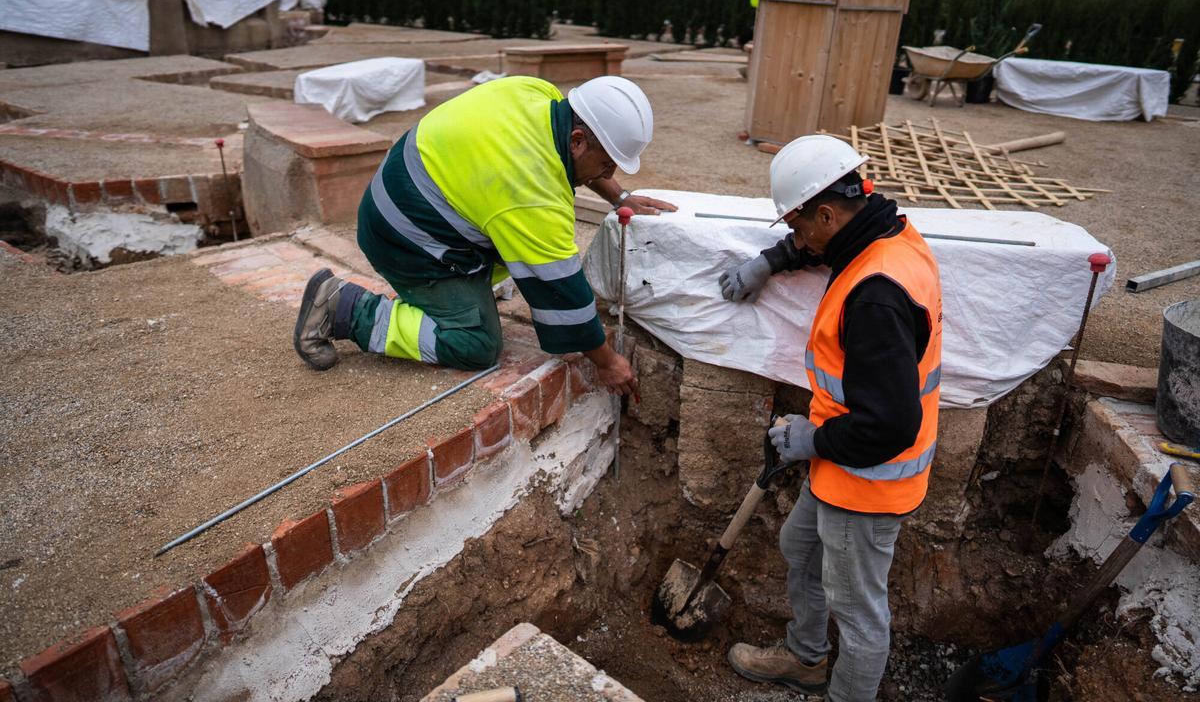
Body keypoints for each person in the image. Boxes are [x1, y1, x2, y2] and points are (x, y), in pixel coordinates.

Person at [719, 135, 943, 700]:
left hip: (867, 482)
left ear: (826, 211)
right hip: (842, 468)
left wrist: (808, 439)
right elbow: (827, 244)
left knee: (859, 613)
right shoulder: (884, 231)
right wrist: (773, 260)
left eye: (796, 226)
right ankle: (807, 659)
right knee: (800, 547)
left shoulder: (875, 297)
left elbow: (889, 427)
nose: (798, 239)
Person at [293, 75, 676, 395]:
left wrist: (620, 197)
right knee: (476, 343)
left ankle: (462, 288)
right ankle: (344, 308)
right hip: (403, 239)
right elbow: (562, 290)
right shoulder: (532, 194)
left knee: (515, 248)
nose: (605, 175)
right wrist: (607, 362)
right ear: (576, 140)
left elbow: (576, 161)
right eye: (606, 164)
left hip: (407, 192)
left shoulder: (539, 94)